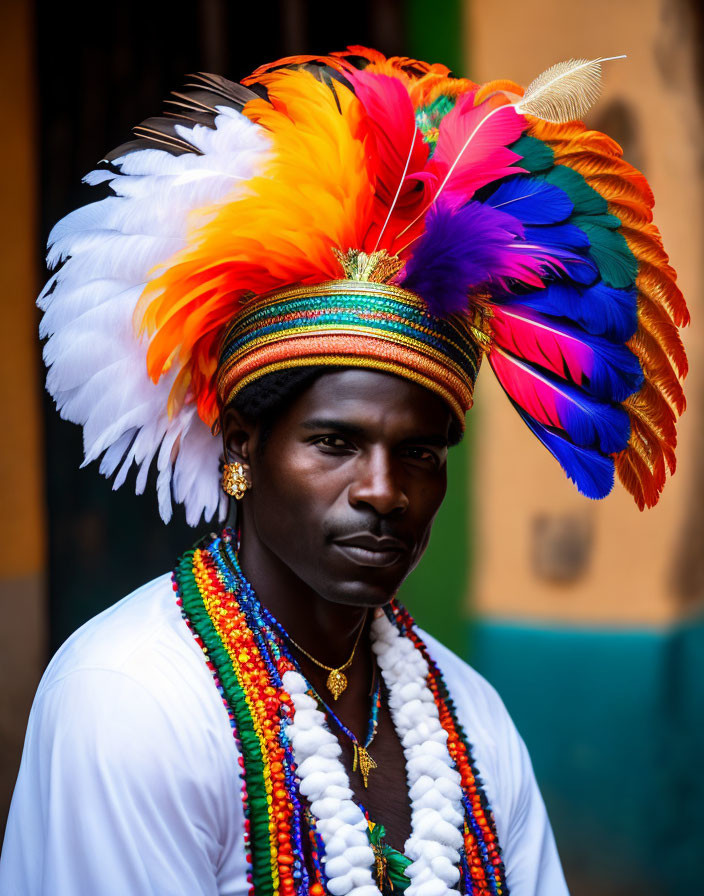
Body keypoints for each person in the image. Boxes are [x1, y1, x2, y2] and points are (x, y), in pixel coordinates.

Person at [0, 47, 688, 896]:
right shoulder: (132, 700)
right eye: (333, 442)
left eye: (420, 454)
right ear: (245, 445)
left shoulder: (471, 720)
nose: (383, 490)